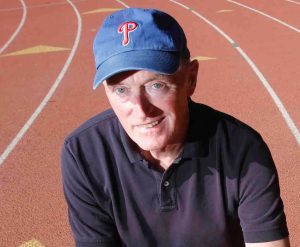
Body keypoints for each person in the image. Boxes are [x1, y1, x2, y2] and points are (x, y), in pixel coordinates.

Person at [61, 8, 290, 247]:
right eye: (121, 90)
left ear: (191, 78)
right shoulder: (83, 153)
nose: (140, 109)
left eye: (156, 85)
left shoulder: (243, 150)